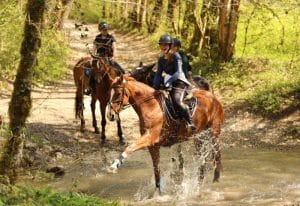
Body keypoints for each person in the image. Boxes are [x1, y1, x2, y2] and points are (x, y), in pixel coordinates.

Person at [152, 34, 196, 131]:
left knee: (176, 100)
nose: (163, 47)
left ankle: (190, 122)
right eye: (161, 45)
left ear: (170, 45)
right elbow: (158, 74)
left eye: (165, 45)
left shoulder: (176, 56)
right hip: (168, 82)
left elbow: (178, 72)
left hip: (180, 82)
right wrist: (154, 88)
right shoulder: (161, 59)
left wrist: (169, 82)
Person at [85, 22, 125, 95]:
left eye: (106, 30)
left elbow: (114, 48)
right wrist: (92, 57)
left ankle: (121, 86)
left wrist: (113, 57)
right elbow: (94, 49)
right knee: (89, 70)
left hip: (108, 57)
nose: (105, 31)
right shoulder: (97, 38)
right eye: (103, 30)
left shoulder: (111, 38)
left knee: (121, 70)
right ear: (100, 30)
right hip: (99, 57)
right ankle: (90, 87)